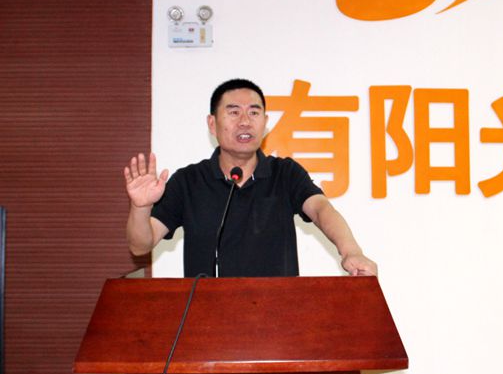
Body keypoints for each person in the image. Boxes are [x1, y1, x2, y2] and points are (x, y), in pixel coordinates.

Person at [124, 78, 377, 278]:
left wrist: (351, 251)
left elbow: (321, 209)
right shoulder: (188, 181)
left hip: (278, 316)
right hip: (207, 319)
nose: (245, 122)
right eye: (234, 112)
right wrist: (140, 207)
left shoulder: (285, 174)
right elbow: (140, 245)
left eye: (254, 113)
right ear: (212, 124)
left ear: (265, 123)